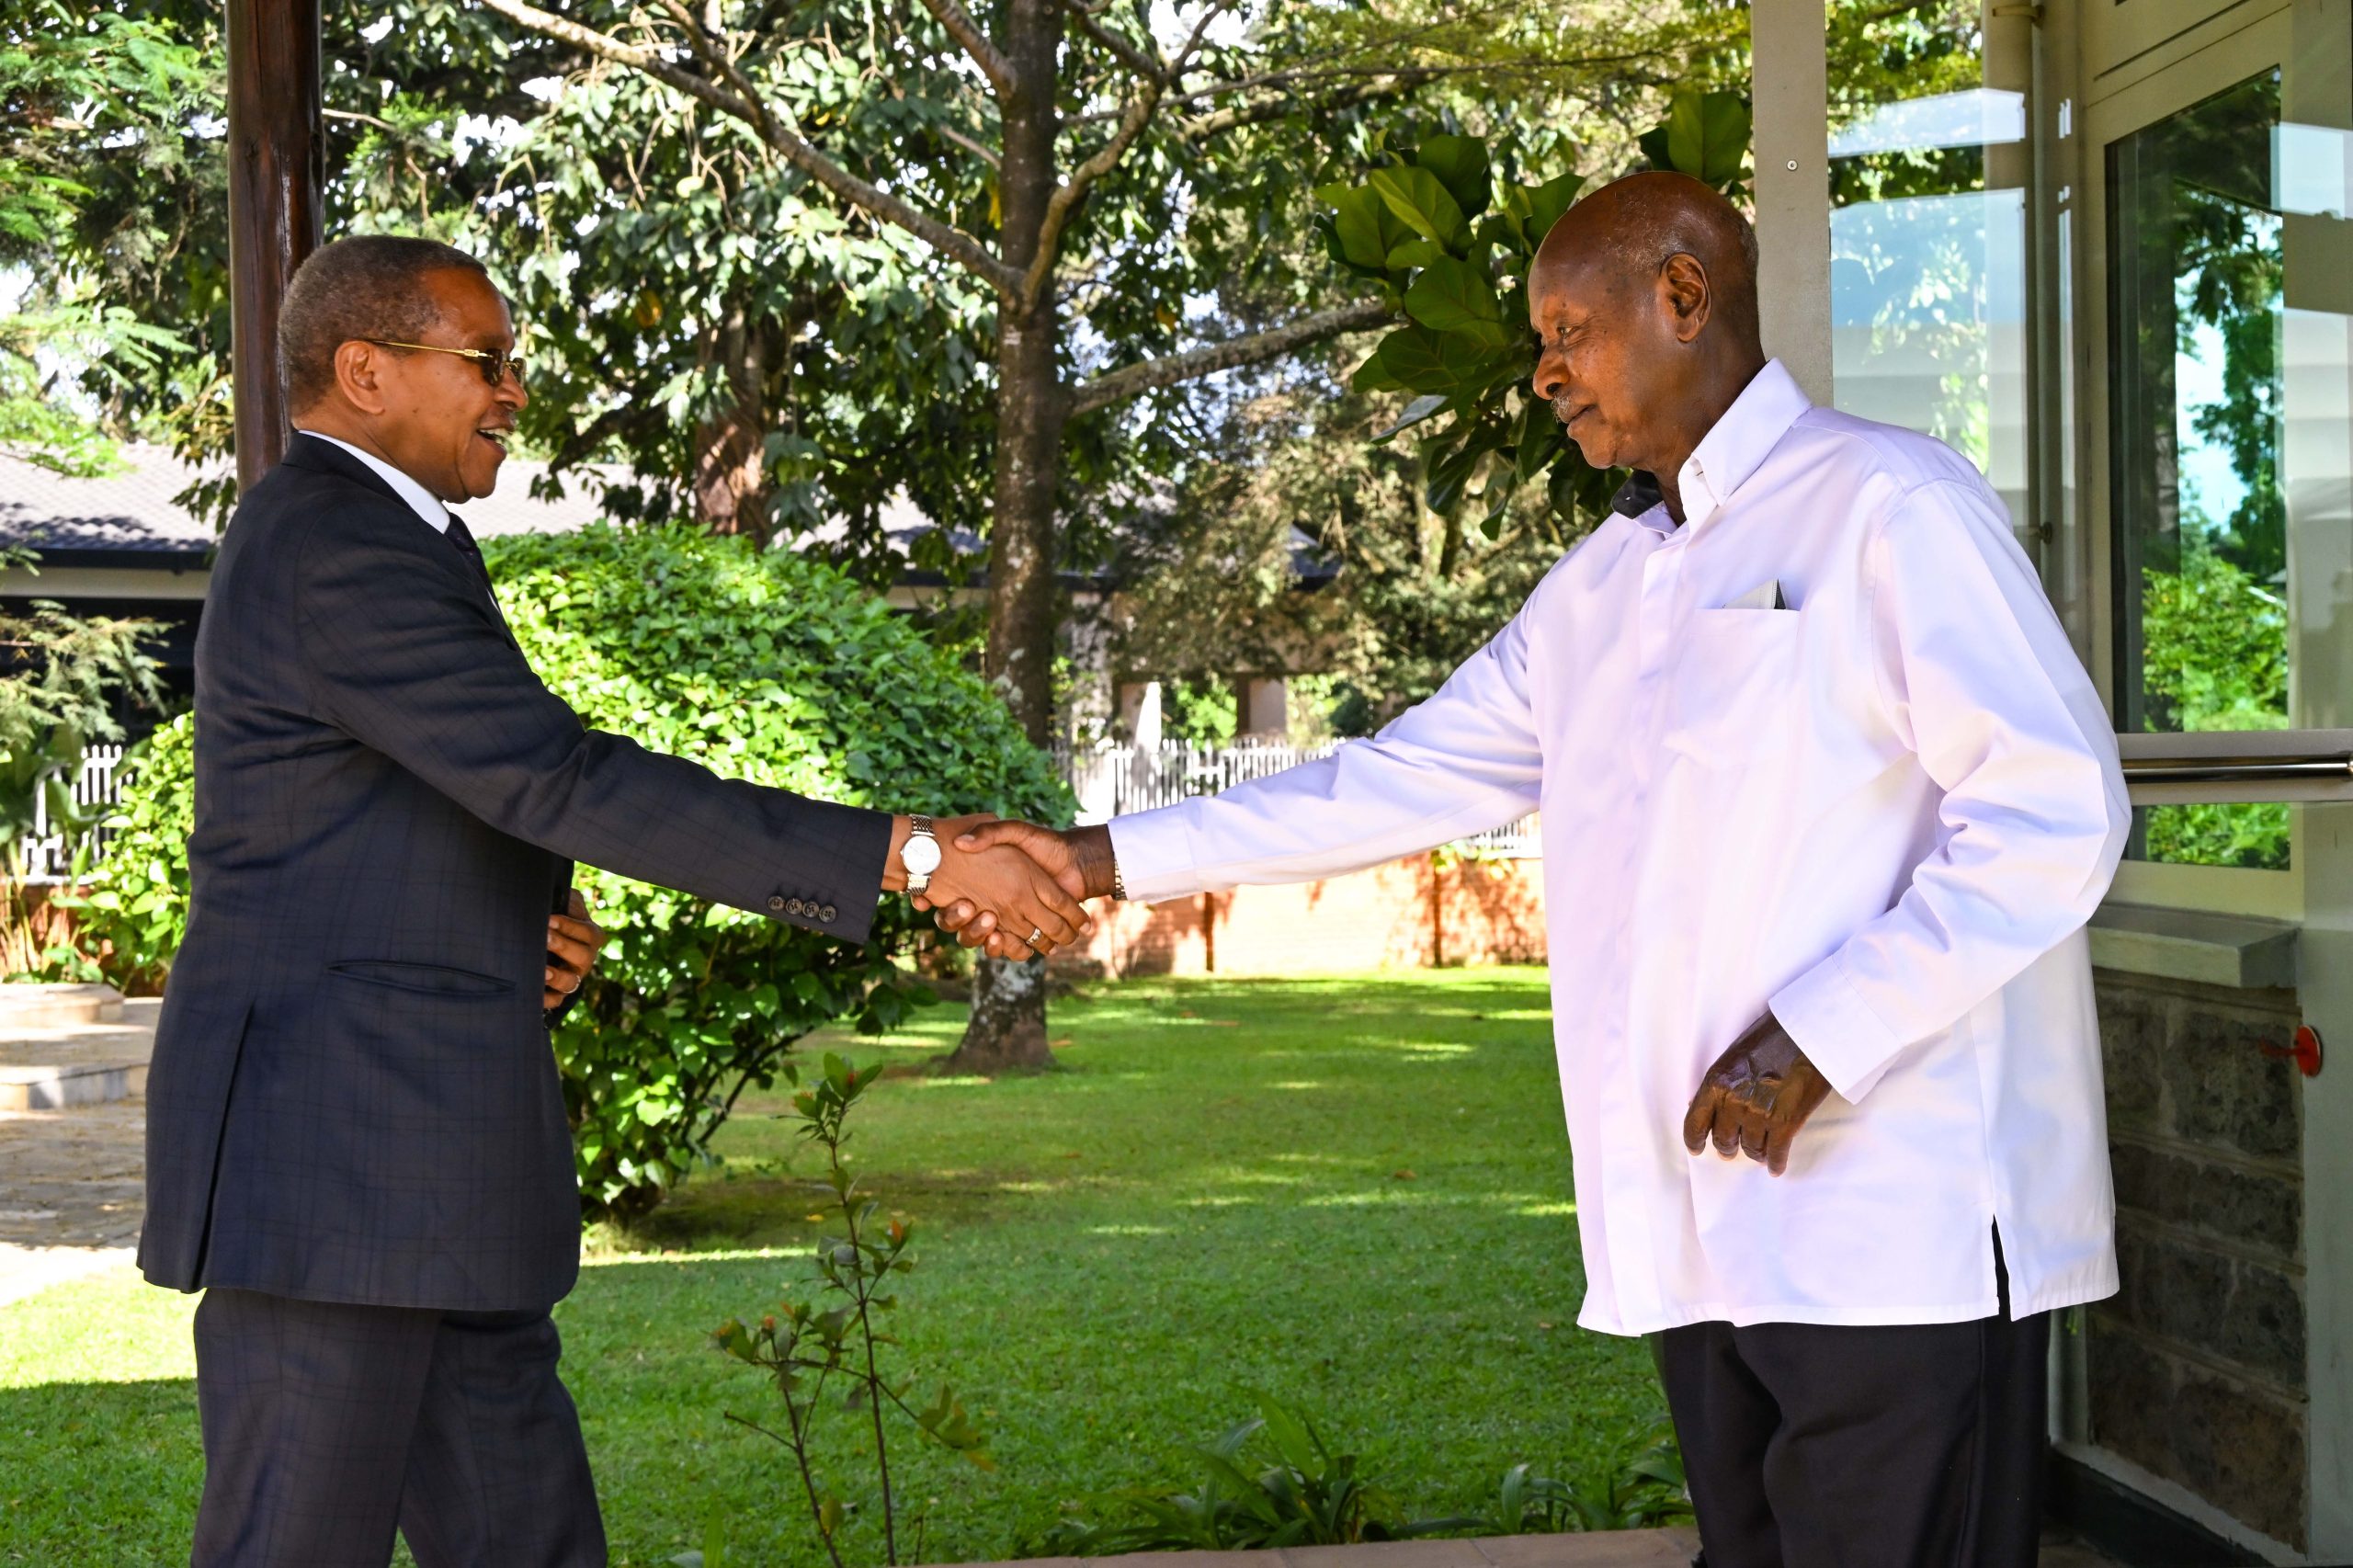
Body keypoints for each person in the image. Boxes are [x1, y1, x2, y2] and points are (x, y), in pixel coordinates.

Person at [937, 173, 2130, 1567]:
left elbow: (2057, 810)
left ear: (1684, 293)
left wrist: (1824, 1029)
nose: (1547, 365)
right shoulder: (1600, 590)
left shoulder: (1890, 505)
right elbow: (1391, 778)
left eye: (1569, 325)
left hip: (1900, 1224)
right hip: (1704, 1226)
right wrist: (1094, 856)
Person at [141, 233, 1086, 1568]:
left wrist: (509, 922)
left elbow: (408, 800)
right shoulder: (328, 541)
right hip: (336, 1179)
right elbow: (552, 771)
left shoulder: (397, 542)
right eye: (486, 361)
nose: (515, 391)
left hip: (434, 1181)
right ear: (364, 371)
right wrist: (912, 854)